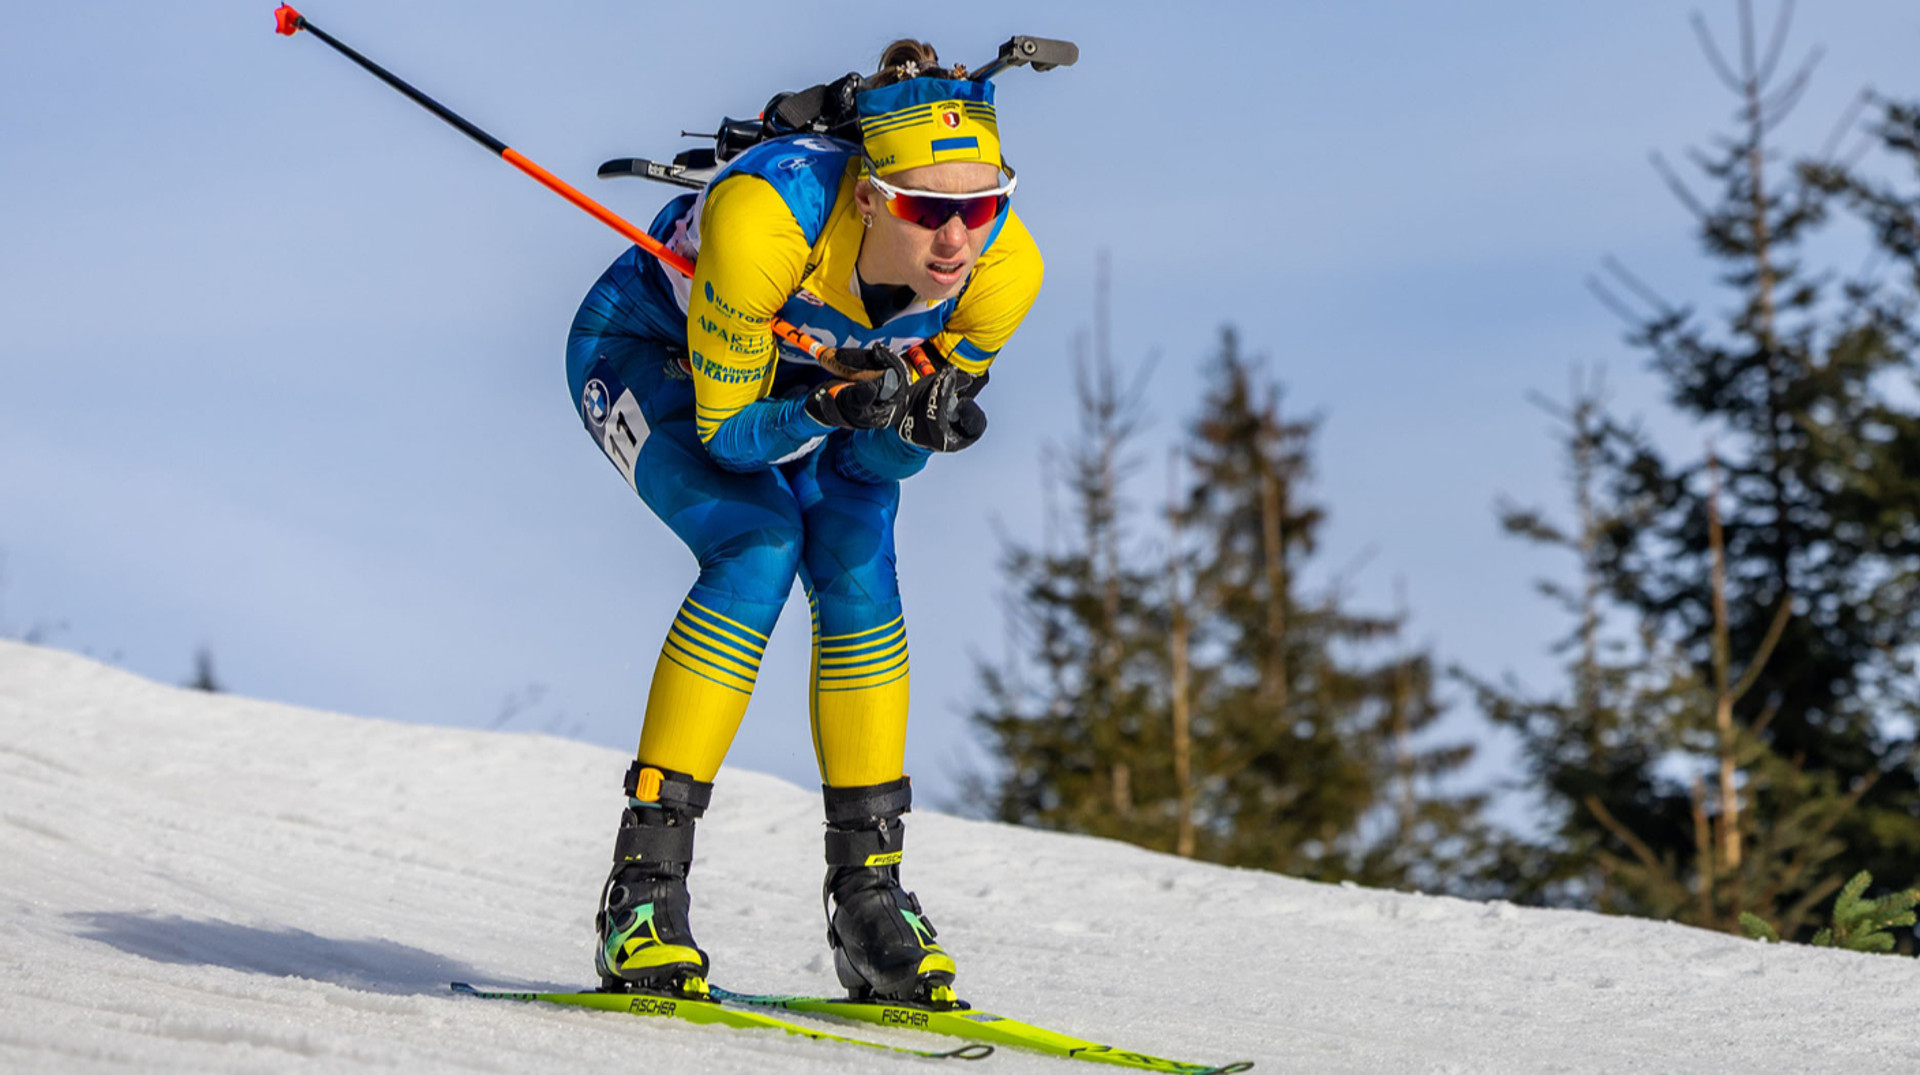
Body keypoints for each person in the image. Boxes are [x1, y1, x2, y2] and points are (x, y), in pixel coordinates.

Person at [563, 40, 1043, 1005]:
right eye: (927, 210)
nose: (958, 241)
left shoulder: (1003, 272)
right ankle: (643, 893)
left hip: (813, 386)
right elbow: (733, 440)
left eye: (980, 208)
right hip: (652, 352)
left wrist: (914, 428)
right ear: (869, 196)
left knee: (856, 545)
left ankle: (871, 899)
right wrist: (829, 407)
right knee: (758, 540)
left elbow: (871, 471)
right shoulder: (762, 224)